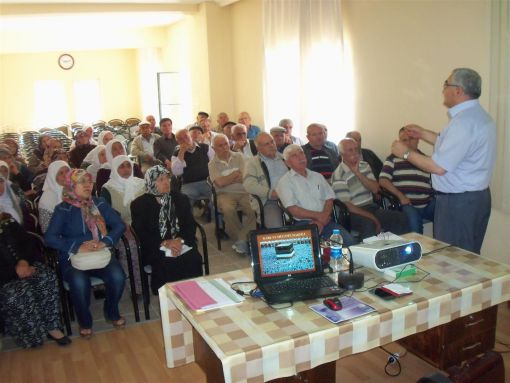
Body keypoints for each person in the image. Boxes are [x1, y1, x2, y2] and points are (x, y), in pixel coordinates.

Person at [391, 68, 496, 254]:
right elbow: (454, 147)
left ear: (458, 90)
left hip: (459, 204)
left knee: (454, 260)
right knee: (468, 257)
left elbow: (439, 167)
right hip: (474, 198)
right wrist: (423, 133)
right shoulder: (478, 116)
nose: (443, 89)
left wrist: (405, 152)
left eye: (446, 84)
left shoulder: (463, 123)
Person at [45, 169, 126, 338]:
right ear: (71, 185)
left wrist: (104, 242)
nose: (88, 185)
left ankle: (111, 311)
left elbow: (119, 225)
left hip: (99, 253)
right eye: (83, 182)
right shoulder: (63, 209)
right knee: (79, 282)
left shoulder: (99, 203)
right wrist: (77, 246)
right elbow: (50, 238)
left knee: (118, 276)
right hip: (73, 258)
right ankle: (85, 321)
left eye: (89, 181)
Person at [0, 213, 71, 348]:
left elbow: (28, 242)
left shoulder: (7, 220)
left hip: (27, 264)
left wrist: (24, 261)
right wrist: (16, 271)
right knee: (17, 292)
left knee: (46, 277)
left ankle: (52, 327)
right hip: (4, 277)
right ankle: (32, 336)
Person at [130, 165, 203, 294]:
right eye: (160, 180)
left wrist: (179, 240)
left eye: (167, 178)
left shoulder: (180, 199)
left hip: (181, 243)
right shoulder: (139, 205)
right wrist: (165, 243)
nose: (166, 182)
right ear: (150, 183)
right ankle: (169, 299)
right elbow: (142, 233)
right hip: (155, 246)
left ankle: (193, 294)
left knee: (193, 258)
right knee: (166, 262)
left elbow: (190, 225)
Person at [276, 144, 355, 244]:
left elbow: (329, 199)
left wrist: (322, 220)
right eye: (294, 156)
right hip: (303, 224)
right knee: (315, 253)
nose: (300, 157)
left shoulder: (317, 176)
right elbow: (294, 210)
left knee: (350, 242)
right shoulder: (285, 182)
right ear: (287, 163)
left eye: (301, 153)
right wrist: (320, 217)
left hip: (326, 220)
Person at [332, 138, 409, 240]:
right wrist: (373, 218)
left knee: (400, 218)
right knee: (369, 224)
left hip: (371, 207)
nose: (355, 152)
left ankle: (396, 249)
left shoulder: (364, 165)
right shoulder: (338, 174)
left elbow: (375, 189)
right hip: (352, 213)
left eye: (356, 149)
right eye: (350, 150)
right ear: (341, 153)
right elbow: (348, 206)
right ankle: (369, 254)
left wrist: (358, 173)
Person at [101, 155, 146, 293]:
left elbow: (149, 205)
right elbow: (107, 213)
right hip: (121, 227)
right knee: (131, 244)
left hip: (143, 222)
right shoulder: (107, 188)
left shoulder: (141, 183)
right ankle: (136, 287)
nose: (126, 169)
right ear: (114, 169)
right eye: (121, 166)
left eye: (128, 165)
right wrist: (122, 224)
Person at [379, 128, 435, 234]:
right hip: (406, 205)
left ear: (418, 140)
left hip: (427, 204)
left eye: (411, 138)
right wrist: (401, 197)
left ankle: (444, 247)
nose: (408, 142)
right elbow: (383, 180)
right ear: (400, 143)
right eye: (404, 140)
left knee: (445, 211)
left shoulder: (425, 159)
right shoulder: (393, 158)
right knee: (414, 224)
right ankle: (418, 248)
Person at [209, 134, 256, 254]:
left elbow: (245, 176)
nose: (225, 147)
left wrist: (227, 179)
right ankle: (243, 239)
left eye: (226, 143)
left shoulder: (239, 156)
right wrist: (235, 175)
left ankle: (241, 239)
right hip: (224, 194)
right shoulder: (212, 164)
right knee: (228, 209)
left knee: (255, 208)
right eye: (220, 145)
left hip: (244, 192)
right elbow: (219, 183)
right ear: (213, 148)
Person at [243, 133, 288, 228]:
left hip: (292, 196)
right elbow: (249, 185)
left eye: (272, 142)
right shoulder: (252, 163)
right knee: (276, 227)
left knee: (307, 216)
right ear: (258, 148)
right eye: (266, 144)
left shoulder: (285, 158)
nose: (271, 145)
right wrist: (271, 193)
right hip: (269, 200)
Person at [171, 128, 214, 207]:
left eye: (186, 137)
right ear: (178, 142)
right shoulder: (177, 153)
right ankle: (189, 219)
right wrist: (181, 153)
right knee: (184, 203)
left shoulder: (205, 147)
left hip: (207, 182)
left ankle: (214, 217)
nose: (184, 140)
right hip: (188, 184)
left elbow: (214, 164)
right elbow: (177, 172)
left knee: (217, 199)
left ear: (191, 136)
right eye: (181, 139)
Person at [38, 160, 71, 233]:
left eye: (67, 171)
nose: (65, 175)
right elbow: (46, 229)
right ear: (53, 176)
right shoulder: (47, 198)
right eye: (61, 173)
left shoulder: (75, 189)